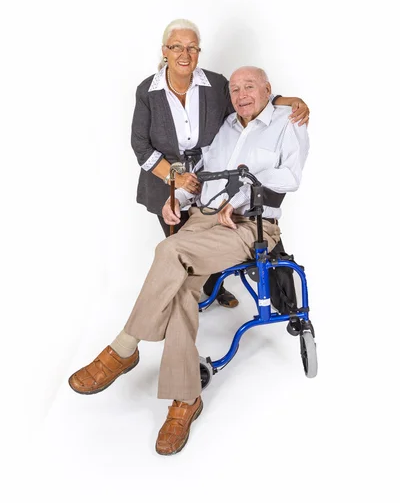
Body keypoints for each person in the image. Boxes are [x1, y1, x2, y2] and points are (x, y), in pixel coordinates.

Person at [69, 66, 310, 456]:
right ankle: (186, 399)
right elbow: (200, 176)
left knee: (169, 250)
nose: (240, 94)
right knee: (182, 291)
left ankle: (124, 348)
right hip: (203, 219)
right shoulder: (228, 125)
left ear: (268, 89)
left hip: (249, 226)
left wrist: (241, 199)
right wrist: (175, 201)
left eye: (250, 86)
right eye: (233, 88)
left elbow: (289, 177)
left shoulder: (289, 121)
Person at [131, 18, 310, 308]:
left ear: (199, 52)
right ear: (164, 50)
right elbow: (140, 145)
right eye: (176, 46)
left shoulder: (215, 84)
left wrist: (289, 101)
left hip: (213, 177)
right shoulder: (147, 91)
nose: (184, 54)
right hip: (166, 181)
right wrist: (175, 181)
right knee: (178, 244)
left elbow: (248, 101)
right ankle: (191, 295)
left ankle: (216, 289)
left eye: (192, 47)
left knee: (209, 245)